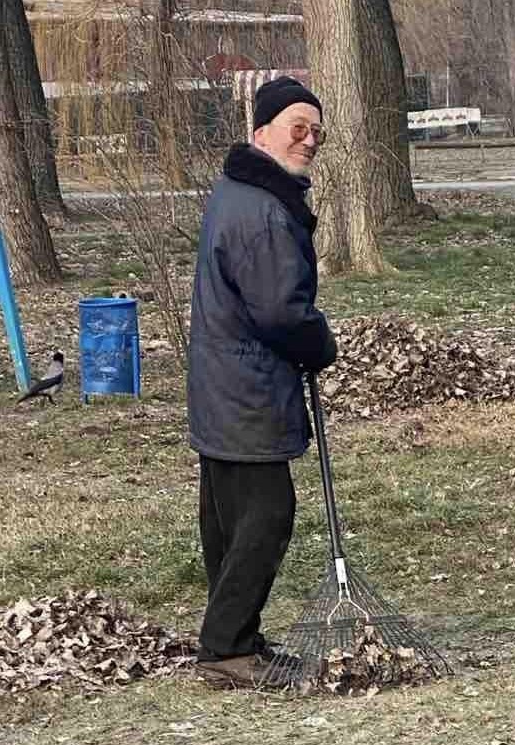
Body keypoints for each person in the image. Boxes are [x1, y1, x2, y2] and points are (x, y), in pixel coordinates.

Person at [187, 76, 337, 687]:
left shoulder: (239, 190)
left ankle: (236, 639)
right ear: (261, 133)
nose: (309, 140)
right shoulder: (264, 213)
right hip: (246, 388)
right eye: (297, 128)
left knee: (230, 519)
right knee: (268, 514)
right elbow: (280, 312)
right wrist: (319, 343)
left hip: (221, 383)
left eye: (316, 132)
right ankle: (226, 648)